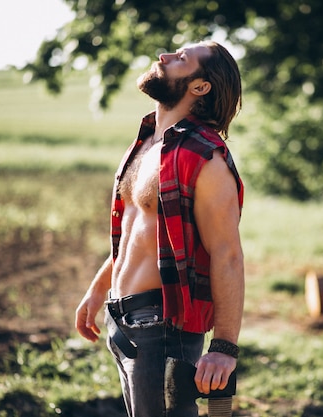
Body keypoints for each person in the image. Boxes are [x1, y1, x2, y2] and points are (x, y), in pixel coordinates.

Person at [74, 40, 245, 417]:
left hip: (163, 327)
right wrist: (99, 288)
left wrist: (224, 347)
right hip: (122, 321)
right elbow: (139, 234)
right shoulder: (149, 143)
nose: (164, 57)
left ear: (200, 87)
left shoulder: (206, 158)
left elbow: (227, 253)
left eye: (182, 59)